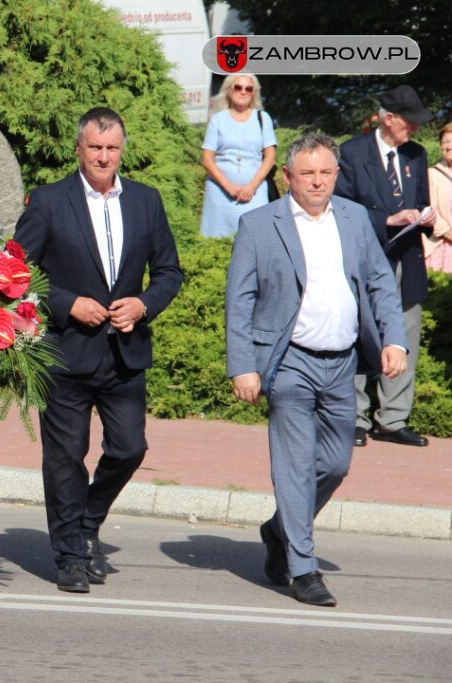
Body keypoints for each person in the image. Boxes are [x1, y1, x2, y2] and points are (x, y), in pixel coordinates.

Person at [226, 132, 407, 607]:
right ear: (288, 176)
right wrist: (243, 366)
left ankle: (280, 528)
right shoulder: (260, 226)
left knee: (336, 463)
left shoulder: (354, 218)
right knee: (295, 466)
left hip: (342, 362)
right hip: (288, 362)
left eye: (326, 172)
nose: (318, 182)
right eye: (308, 173)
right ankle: (302, 568)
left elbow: (379, 282)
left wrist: (393, 339)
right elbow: (239, 301)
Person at [13, 107, 183, 593]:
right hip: (66, 352)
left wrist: (144, 304)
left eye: (111, 148)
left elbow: (169, 272)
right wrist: (67, 304)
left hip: (125, 353)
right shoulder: (48, 201)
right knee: (66, 457)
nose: (103, 157)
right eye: (95, 148)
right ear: (79, 149)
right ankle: (69, 555)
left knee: (130, 448)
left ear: (121, 150)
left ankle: (86, 523)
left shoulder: (146, 202)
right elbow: (17, 271)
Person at [335, 85, 435, 448]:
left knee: (405, 334)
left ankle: (392, 419)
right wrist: (387, 220)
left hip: (406, 259)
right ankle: (354, 418)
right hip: (364, 256)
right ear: (388, 118)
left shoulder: (416, 155)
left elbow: (420, 198)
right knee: (359, 332)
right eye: (410, 122)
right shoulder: (350, 152)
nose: (415, 129)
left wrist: (424, 214)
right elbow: (341, 207)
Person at [199, 74, 277, 238]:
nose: (243, 92)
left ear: (254, 93)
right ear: (229, 90)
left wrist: (251, 187)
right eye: (238, 87)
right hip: (220, 194)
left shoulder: (263, 118)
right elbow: (207, 158)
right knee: (217, 244)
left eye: (248, 88)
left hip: (255, 193)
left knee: (258, 238)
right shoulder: (217, 119)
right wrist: (228, 186)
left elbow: (270, 157)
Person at [424, 123, 452, 272]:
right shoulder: (432, 174)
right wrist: (449, 233)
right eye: (445, 142)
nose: (449, 146)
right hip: (441, 246)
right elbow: (429, 210)